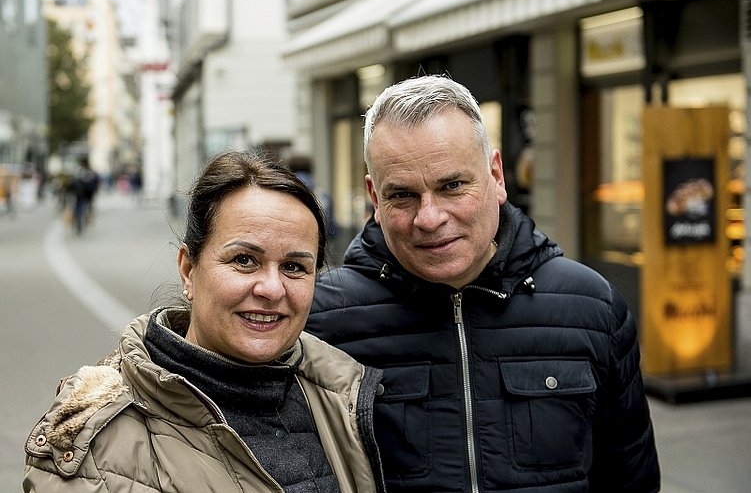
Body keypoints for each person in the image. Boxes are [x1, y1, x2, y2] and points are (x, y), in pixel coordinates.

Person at [306, 75, 660, 492]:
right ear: (374, 199)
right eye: (402, 195)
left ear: (496, 176)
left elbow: (630, 483)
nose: (430, 218)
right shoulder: (320, 322)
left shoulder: (592, 308)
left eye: (452, 186)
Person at [24, 151, 386, 493]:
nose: (272, 289)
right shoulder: (90, 444)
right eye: (244, 260)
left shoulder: (345, 396)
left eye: (294, 267)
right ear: (188, 270)